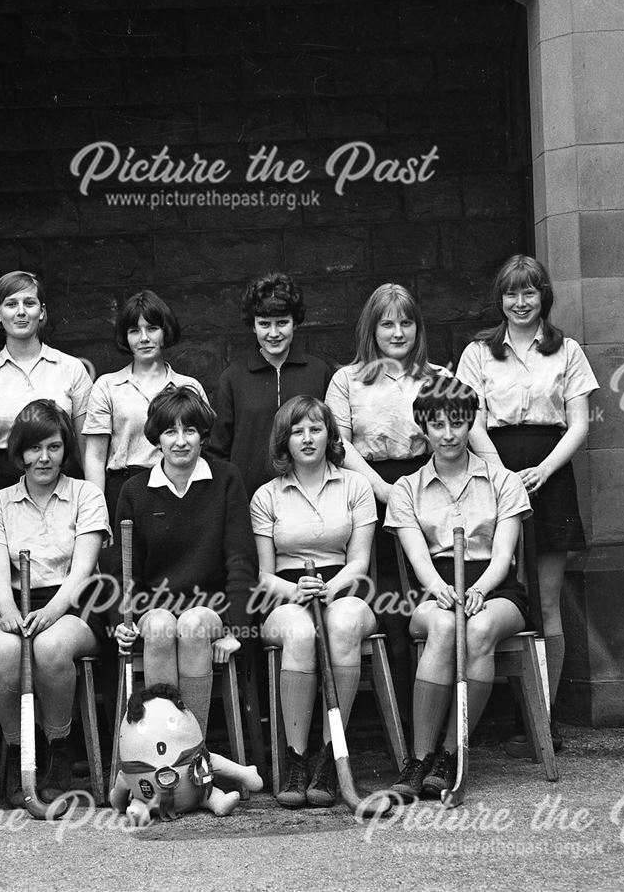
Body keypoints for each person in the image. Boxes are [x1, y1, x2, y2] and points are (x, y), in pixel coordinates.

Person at [456, 255, 598, 755]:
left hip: (549, 474)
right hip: (492, 473)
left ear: (544, 297)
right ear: (500, 299)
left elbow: (579, 423)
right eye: (512, 294)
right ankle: (491, 714)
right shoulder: (478, 352)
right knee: (497, 586)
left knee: (546, 600)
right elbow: (467, 418)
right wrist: (499, 472)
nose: (520, 303)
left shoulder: (569, 351)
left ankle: (543, 717)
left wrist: (542, 471)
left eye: (530, 293)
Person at [384, 377, 531, 800]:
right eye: (438, 424)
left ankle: (451, 754)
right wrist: (441, 590)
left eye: (458, 423)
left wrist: (479, 590)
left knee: (479, 629)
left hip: (495, 588)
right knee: (447, 627)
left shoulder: (504, 482)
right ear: (423, 427)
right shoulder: (406, 490)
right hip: (435, 590)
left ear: (471, 424)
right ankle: (419, 759)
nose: (448, 434)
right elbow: (419, 561)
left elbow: (503, 557)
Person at [324, 282, 451, 724]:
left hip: (428, 489)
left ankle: (431, 717)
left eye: (406, 322)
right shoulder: (348, 379)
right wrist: (382, 489)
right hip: (369, 490)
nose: (397, 332)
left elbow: (460, 439)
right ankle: (391, 719)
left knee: (430, 596)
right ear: (371, 328)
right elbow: (339, 442)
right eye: (387, 323)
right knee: (390, 602)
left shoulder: (438, 376)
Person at [250, 396, 376, 808]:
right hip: (287, 594)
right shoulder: (266, 496)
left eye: (316, 429)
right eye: (297, 431)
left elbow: (359, 561)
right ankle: (296, 758)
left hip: (343, 587)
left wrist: (330, 587)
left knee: (343, 624)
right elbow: (263, 575)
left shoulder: (355, 486)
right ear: (284, 441)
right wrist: (294, 591)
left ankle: (329, 755)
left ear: (330, 435)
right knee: (301, 632)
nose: (307, 439)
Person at [0, 401, 111, 805]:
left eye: (53, 447)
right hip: (15, 604)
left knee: (50, 647)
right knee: (2, 652)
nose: (44, 457)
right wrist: (7, 615)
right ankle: (23, 751)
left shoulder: (86, 495)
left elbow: (82, 574)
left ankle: (59, 748)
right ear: (19, 452)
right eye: (34, 448)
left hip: (73, 606)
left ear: (64, 449)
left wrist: (49, 615)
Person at [114, 386, 258, 739]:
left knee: (192, 624)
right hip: (155, 609)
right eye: (170, 431)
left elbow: (241, 559)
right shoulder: (134, 491)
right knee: (162, 625)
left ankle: (194, 750)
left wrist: (236, 628)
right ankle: (163, 747)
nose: (180, 441)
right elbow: (123, 571)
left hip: (211, 609)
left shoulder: (225, 479)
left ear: (202, 436)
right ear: (156, 438)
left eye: (189, 430)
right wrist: (123, 621)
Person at [82, 290, 207, 574]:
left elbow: (202, 449)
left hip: (177, 488)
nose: (144, 338)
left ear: (165, 331)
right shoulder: (107, 386)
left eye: (152, 328)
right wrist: (98, 512)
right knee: (126, 571)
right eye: (134, 331)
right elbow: (94, 456)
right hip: (124, 490)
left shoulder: (188, 387)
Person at [209, 272, 335, 499]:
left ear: (295, 323)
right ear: (253, 326)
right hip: (247, 499)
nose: (274, 333)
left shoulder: (318, 372)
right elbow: (217, 452)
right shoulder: (232, 378)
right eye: (265, 324)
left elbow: (334, 438)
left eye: (282, 323)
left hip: (313, 497)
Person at [0, 270, 95, 499]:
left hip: (62, 483)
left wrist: (93, 502)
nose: (21, 312)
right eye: (11, 304)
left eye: (29, 303)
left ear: (42, 311)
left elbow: (85, 448)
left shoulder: (71, 368)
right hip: (1, 487)